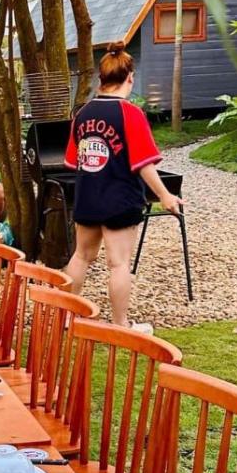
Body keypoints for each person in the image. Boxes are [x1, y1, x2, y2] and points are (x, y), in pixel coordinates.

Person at [63, 43, 182, 328]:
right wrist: (165, 195)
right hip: (120, 199)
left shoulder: (83, 114)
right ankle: (121, 325)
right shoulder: (131, 114)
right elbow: (144, 164)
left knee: (81, 256)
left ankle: (65, 317)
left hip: (88, 198)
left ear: (101, 78)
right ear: (130, 77)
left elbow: (74, 160)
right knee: (119, 264)